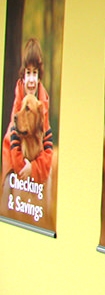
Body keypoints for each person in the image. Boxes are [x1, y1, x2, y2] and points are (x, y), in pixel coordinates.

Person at [1, 38, 54, 185]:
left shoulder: (42, 104)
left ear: (39, 78)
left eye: (34, 73)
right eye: (28, 73)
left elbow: (48, 146)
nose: (31, 79)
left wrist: (34, 168)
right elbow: (13, 144)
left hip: (34, 164)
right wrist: (24, 168)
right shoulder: (18, 103)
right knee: (7, 187)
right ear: (23, 76)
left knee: (48, 181)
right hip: (14, 162)